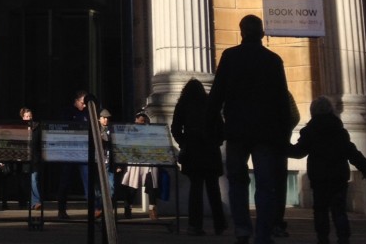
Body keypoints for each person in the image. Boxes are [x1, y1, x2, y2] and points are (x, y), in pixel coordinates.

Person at [207, 14, 292, 244]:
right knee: (265, 185)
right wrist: (284, 135)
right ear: (262, 33)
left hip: (236, 131)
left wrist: (215, 123)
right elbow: (282, 101)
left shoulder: (230, 57)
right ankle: (263, 234)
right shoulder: (273, 60)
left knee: (237, 182)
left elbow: (217, 95)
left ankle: (242, 229)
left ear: (241, 32)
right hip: (266, 133)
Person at [289, 96, 366, 244]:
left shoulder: (309, 131)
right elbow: (352, 152)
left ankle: (323, 238)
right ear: (331, 111)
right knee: (339, 210)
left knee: (320, 210)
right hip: (338, 177)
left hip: (319, 177)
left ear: (312, 111)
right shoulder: (339, 131)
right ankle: (343, 238)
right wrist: (365, 169)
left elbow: (299, 152)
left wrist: (283, 148)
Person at [171, 79, 226, 235]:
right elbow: (221, 129)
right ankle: (219, 224)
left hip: (193, 152)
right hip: (210, 151)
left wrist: (183, 142)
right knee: (214, 190)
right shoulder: (210, 105)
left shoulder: (182, 105)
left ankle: (195, 225)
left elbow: (175, 128)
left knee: (195, 190)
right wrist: (216, 142)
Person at [120, 111, 160, 220]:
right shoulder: (130, 131)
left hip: (148, 162)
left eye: (144, 121)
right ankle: (128, 207)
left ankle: (152, 209)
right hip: (135, 161)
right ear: (136, 120)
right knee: (132, 186)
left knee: (151, 185)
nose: (143, 123)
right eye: (141, 121)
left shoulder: (151, 131)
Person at [57, 88, 89, 219]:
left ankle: (94, 208)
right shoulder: (68, 112)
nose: (85, 105)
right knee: (65, 181)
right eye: (83, 102)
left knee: (88, 180)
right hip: (69, 152)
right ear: (76, 101)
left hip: (84, 152)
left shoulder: (88, 113)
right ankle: (61, 210)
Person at [273, 91, 300, 238]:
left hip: (261, 144)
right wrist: (285, 130)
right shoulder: (284, 93)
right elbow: (295, 116)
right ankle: (276, 222)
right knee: (279, 186)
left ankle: (265, 222)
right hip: (280, 144)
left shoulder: (254, 90)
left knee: (265, 186)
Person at [19, 106, 42, 211]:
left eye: (30, 116)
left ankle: (36, 202)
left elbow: (39, 143)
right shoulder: (19, 128)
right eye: (26, 116)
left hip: (34, 158)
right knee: (24, 181)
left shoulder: (36, 128)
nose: (28, 118)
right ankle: (25, 201)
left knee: (34, 180)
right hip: (23, 159)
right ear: (22, 117)